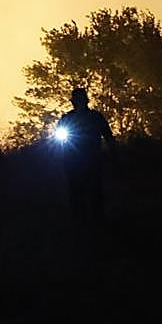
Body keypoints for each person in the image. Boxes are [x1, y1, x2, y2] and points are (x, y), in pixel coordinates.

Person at [56, 87, 117, 226]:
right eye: (76, 100)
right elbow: (58, 140)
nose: (78, 102)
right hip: (75, 161)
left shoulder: (94, 117)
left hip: (90, 160)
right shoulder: (69, 118)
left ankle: (95, 223)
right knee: (77, 194)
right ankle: (82, 223)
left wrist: (113, 154)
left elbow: (108, 137)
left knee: (93, 193)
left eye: (79, 99)